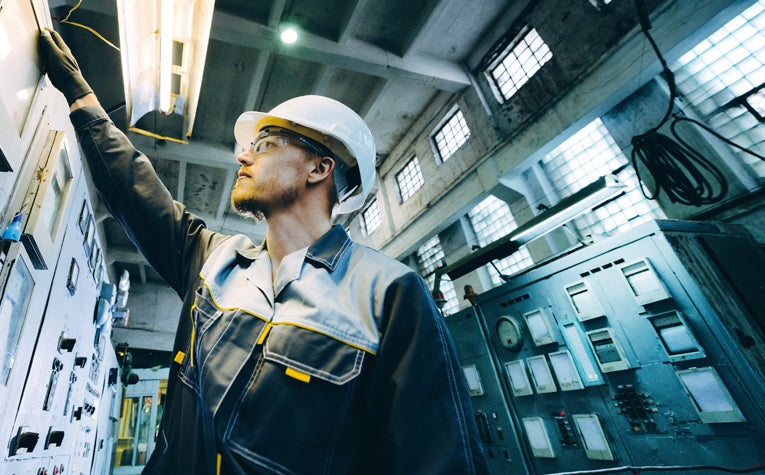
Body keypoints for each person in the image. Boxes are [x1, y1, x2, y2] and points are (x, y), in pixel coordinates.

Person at [39, 28, 487, 475]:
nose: (243, 157)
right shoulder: (215, 261)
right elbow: (138, 193)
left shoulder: (389, 296)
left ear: (319, 167)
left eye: (265, 145)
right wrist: (82, 101)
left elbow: (440, 462)